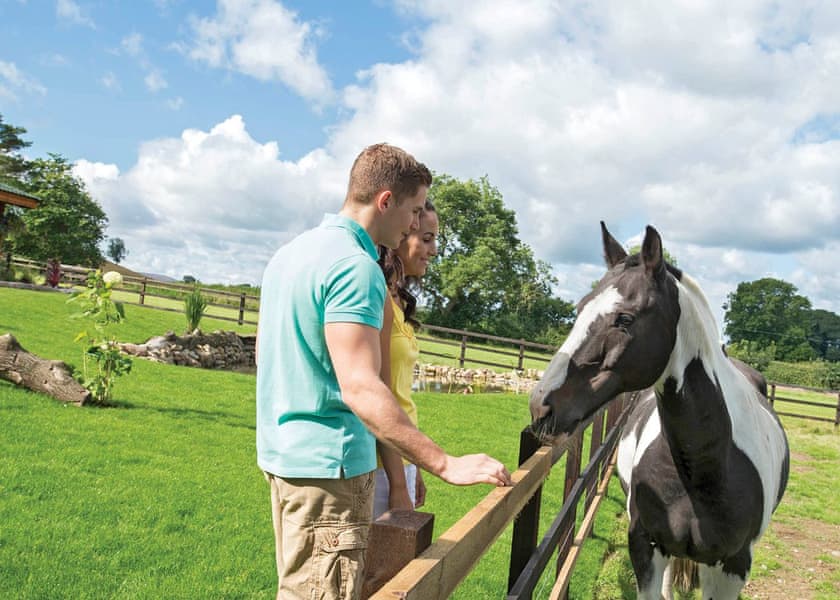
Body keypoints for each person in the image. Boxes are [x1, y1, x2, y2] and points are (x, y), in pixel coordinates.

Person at [256, 143, 512, 600]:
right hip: (331, 472)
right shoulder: (357, 268)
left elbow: (265, 354)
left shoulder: (291, 255)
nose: (416, 224)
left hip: (284, 462)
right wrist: (444, 464)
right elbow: (360, 385)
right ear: (385, 201)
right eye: (413, 211)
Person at [373, 201, 438, 518]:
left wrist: (417, 466)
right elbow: (382, 393)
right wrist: (398, 485)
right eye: (426, 238)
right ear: (400, 236)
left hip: (402, 459)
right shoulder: (378, 297)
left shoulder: (399, 301)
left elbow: (403, 396)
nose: (434, 250)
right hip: (382, 467)